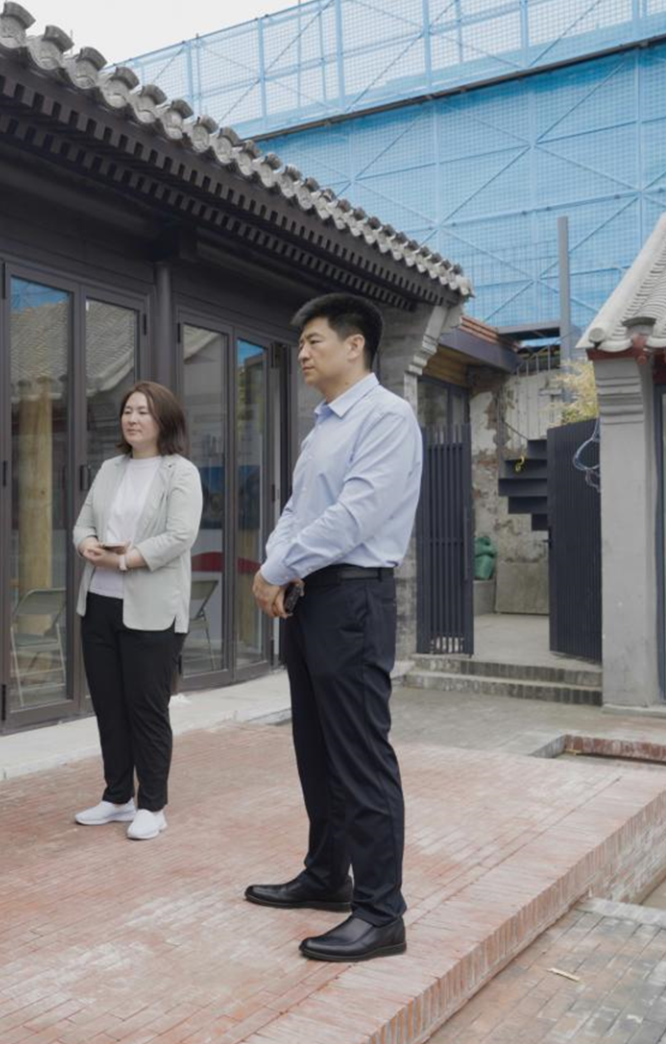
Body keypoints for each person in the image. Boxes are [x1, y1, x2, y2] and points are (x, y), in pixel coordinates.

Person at [245, 293, 422, 963]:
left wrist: (278, 567)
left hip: (353, 599)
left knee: (360, 756)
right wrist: (277, 566)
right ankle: (326, 874)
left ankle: (381, 912)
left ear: (355, 345)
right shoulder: (322, 426)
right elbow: (298, 509)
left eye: (314, 340)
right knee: (316, 750)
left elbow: (356, 514)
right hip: (311, 596)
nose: (303, 353)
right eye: (301, 344)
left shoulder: (387, 417)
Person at [71, 381, 201, 841]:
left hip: (152, 608)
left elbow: (180, 535)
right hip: (99, 602)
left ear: (164, 420)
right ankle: (117, 797)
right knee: (109, 706)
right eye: (128, 410)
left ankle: (152, 805)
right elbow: (83, 523)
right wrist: (88, 544)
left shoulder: (180, 472)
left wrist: (126, 560)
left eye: (143, 411)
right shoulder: (110, 468)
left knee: (146, 708)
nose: (133, 419)